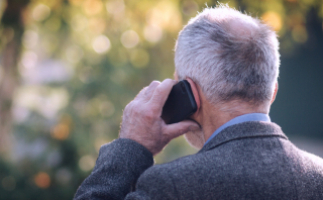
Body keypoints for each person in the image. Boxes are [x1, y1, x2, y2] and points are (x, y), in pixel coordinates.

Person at [74, 5, 323, 200]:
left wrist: (130, 147)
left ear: (189, 91)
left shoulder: (170, 185)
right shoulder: (318, 177)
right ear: (273, 91)